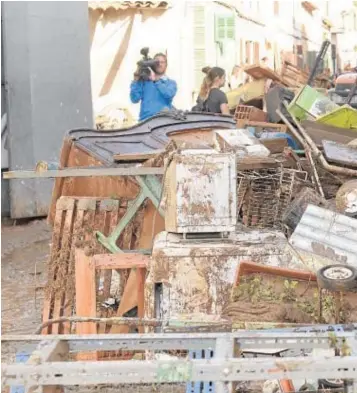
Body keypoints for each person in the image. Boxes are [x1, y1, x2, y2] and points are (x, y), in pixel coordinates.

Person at [130, 53, 177, 122]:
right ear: (153, 64)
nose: (159, 64)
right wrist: (136, 80)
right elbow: (134, 99)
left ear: (166, 65)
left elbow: (168, 94)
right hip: (145, 121)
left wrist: (156, 80)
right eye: (157, 62)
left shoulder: (171, 83)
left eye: (162, 62)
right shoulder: (145, 82)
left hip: (164, 120)